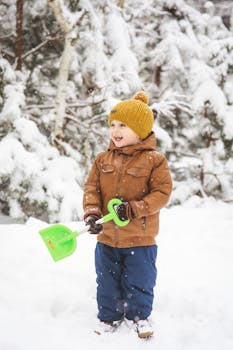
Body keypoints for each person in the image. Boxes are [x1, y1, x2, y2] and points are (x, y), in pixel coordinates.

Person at [83, 91, 172, 338]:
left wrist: (134, 208)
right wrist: (92, 213)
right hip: (108, 237)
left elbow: (162, 193)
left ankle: (139, 316)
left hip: (140, 239)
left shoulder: (155, 160)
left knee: (139, 279)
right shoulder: (103, 159)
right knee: (107, 279)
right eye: (112, 125)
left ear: (140, 130)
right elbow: (92, 188)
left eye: (123, 125)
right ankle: (109, 317)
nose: (115, 130)